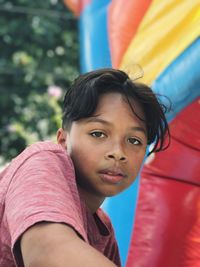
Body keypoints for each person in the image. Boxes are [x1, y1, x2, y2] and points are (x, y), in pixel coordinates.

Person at [0, 68, 170, 267]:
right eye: (98, 134)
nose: (118, 152)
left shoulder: (103, 232)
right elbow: (46, 253)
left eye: (134, 140)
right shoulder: (42, 161)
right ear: (63, 140)